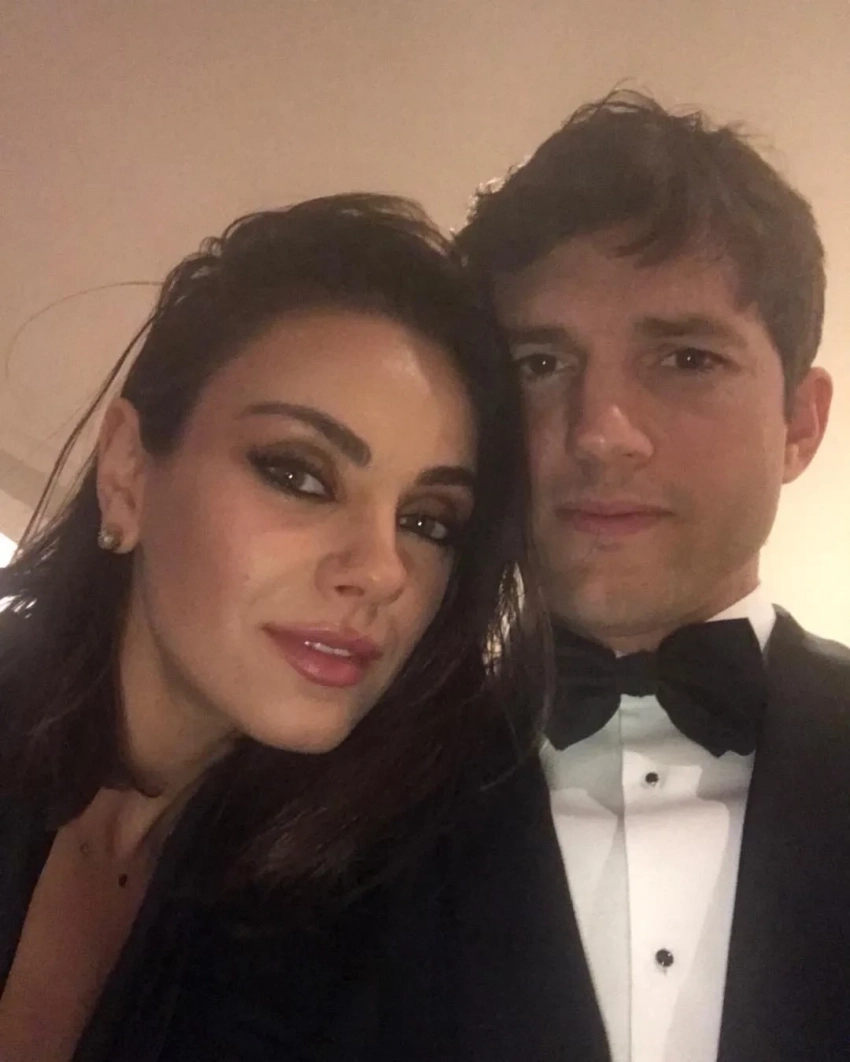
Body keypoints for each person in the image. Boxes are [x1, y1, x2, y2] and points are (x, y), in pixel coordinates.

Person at [0, 193, 542, 1061]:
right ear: (128, 472)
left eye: (428, 521)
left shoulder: (385, 925)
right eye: (299, 474)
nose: (382, 570)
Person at [441, 91, 850, 1062]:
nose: (600, 434)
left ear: (799, 424)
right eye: (539, 363)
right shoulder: (343, 792)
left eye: (685, 357)